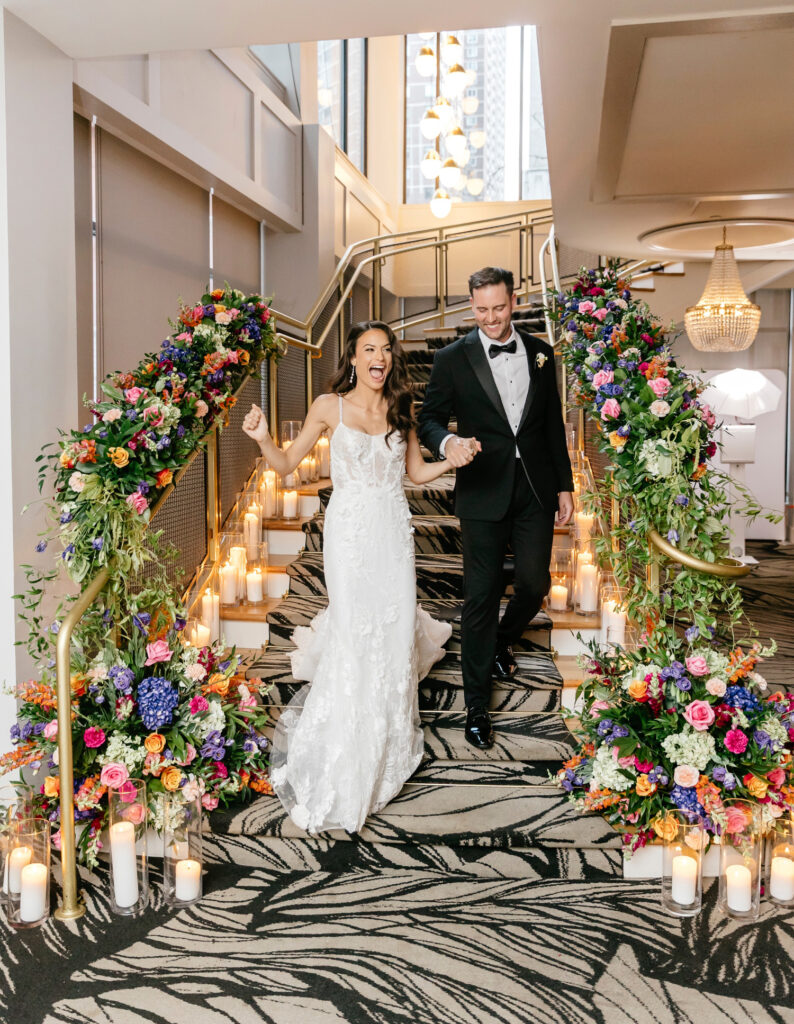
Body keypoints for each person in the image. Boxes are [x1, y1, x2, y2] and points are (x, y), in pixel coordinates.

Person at [242, 320, 474, 834]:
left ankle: (388, 742)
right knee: (354, 631)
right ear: (352, 358)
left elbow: (415, 473)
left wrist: (453, 460)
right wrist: (262, 437)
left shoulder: (400, 409)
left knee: (391, 634)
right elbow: (285, 465)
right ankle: (347, 743)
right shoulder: (330, 407)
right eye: (370, 349)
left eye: (387, 349)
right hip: (348, 539)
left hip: (393, 535)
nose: (381, 357)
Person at [418, 267, 574, 750]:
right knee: (481, 597)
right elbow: (427, 420)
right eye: (481, 309)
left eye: (499, 308)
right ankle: (477, 707)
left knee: (534, 584)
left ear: (514, 301)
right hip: (482, 489)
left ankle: (505, 640)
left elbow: (552, 425)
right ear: (471, 305)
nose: (490, 318)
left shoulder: (543, 355)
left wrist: (565, 486)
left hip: (535, 488)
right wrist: (446, 443)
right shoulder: (451, 358)